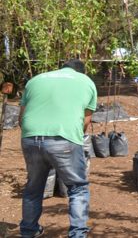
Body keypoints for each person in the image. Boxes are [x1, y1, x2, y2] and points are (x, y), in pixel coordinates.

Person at [18, 59, 97, 238]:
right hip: (64, 139)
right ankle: (77, 234)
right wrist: (73, 140)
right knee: (78, 188)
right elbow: (85, 121)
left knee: (33, 188)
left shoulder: (35, 80)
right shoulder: (86, 82)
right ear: (80, 71)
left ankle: (29, 231)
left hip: (30, 138)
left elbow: (21, 117)